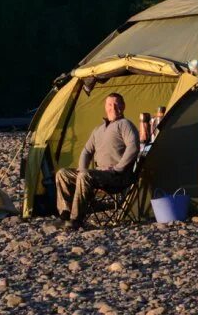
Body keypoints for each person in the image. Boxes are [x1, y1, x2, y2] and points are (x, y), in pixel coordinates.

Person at [54, 92, 140, 229]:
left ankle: (76, 219)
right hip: (98, 175)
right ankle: (65, 214)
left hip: (116, 177)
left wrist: (118, 168)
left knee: (85, 175)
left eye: (117, 104)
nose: (114, 107)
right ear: (105, 107)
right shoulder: (98, 130)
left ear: (123, 106)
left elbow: (133, 147)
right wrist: (82, 168)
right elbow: (86, 151)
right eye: (110, 104)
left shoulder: (125, 125)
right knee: (62, 173)